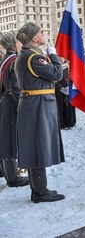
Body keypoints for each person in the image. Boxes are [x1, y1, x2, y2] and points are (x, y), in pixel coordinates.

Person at [15, 22, 65, 202]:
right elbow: (57, 74)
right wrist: (53, 54)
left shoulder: (27, 55)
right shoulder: (35, 58)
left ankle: (38, 189)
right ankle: (40, 191)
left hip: (33, 103)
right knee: (38, 146)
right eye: (40, 32)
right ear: (34, 38)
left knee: (36, 146)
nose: (43, 34)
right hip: (38, 105)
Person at [0, 31, 30, 188]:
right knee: (10, 142)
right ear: (13, 44)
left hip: (5, 100)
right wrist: (23, 107)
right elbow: (16, 88)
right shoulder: (13, 61)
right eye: (18, 42)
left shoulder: (5, 59)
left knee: (6, 140)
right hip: (11, 103)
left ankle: (8, 173)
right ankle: (13, 178)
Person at [55, 59, 76, 130]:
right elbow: (54, 79)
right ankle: (62, 124)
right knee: (60, 108)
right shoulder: (56, 67)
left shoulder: (70, 68)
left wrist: (70, 87)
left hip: (69, 90)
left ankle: (70, 122)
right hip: (59, 91)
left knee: (69, 108)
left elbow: (74, 77)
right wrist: (60, 88)